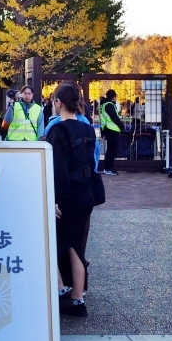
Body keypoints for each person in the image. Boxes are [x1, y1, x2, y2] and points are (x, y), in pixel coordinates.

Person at [45, 83, 98, 317]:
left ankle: (60, 289)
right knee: (77, 246)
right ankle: (78, 298)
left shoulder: (59, 131)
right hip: (86, 193)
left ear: (59, 103)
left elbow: (58, 169)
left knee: (51, 243)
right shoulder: (88, 129)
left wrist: (55, 198)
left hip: (66, 196)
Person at [98, 89, 124, 175]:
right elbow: (114, 117)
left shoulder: (105, 104)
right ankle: (109, 168)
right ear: (114, 97)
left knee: (110, 150)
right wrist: (121, 125)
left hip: (108, 129)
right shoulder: (109, 105)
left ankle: (108, 168)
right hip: (112, 129)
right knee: (112, 150)